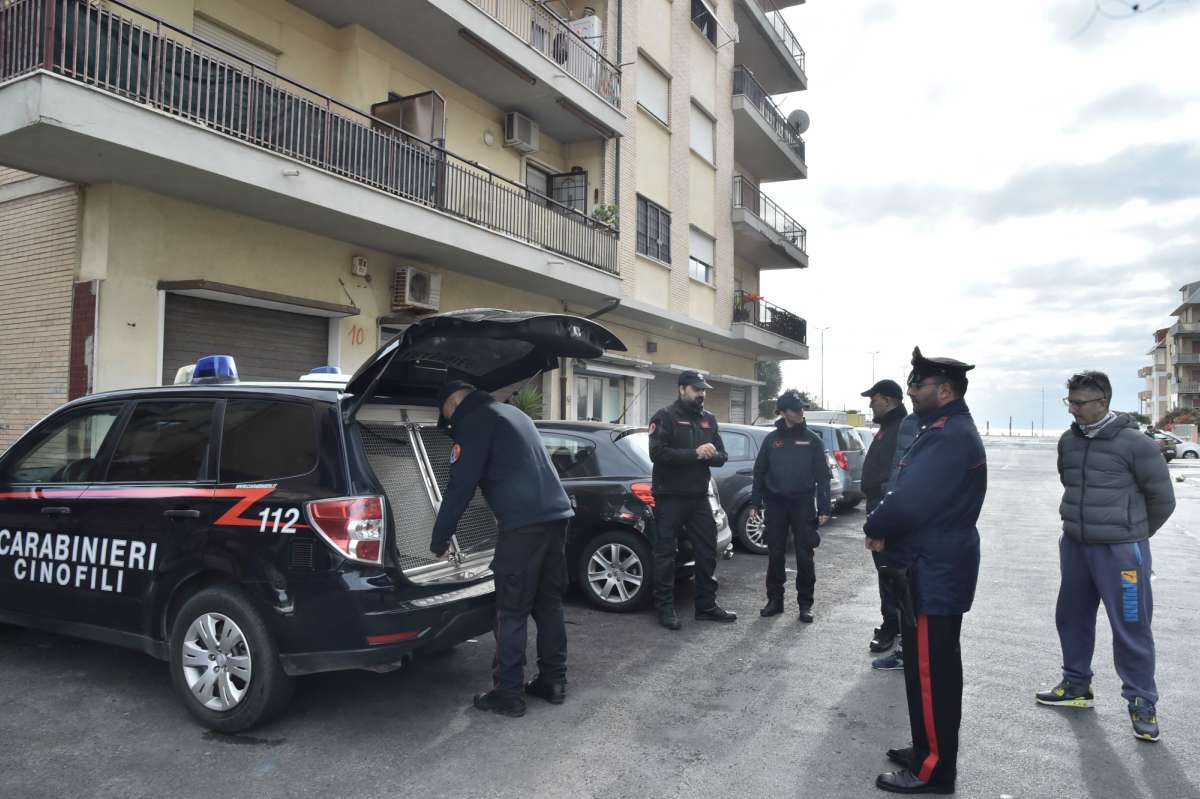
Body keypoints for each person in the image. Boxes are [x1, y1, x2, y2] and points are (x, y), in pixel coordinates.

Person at [864, 347, 986, 795]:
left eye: (919, 384)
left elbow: (909, 499)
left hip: (933, 569)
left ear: (946, 390)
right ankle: (925, 748)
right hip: (927, 564)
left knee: (932, 673)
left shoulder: (948, 435)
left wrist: (876, 526)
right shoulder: (940, 428)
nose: (912, 390)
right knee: (922, 670)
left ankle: (934, 771)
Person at [1035, 370, 1175, 742]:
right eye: (1071, 403)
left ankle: (1142, 702)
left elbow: (1163, 499)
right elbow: (1069, 482)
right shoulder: (1069, 441)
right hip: (1076, 545)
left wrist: (1132, 535)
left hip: (1121, 551)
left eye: (1080, 404)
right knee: (1072, 617)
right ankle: (1077, 685)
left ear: (1104, 403)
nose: (1074, 411)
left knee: (1131, 625)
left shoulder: (1136, 444)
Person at [429, 380, 574, 718]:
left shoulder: (474, 422)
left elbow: (460, 487)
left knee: (511, 611)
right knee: (548, 604)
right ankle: (554, 681)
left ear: (451, 404)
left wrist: (439, 541)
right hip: (557, 518)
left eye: (445, 414)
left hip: (523, 528)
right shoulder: (512, 413)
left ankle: (508, 692)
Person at [648, 370, 738, 630]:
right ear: (682, 389)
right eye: (697, 389)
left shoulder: (708, 419)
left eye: (703, 390)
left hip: (699, 497)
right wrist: (695, 454)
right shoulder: (665, 416)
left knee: (707, 551)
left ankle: (706, 606)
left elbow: (722, 455)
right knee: (666, 554)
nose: (702, 394)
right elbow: (658, 453)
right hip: (670, 496)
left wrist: (711, 455)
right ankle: (665, 608)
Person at [750, 389, 831, 622]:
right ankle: (775, 600)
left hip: (803, 505)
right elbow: (759, 472)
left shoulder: (812, 440)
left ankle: (805, 604)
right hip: (775, 505)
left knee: (805, 555)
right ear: (784, 412)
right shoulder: (771, 440)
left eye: (802, 409)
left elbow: (823, 476)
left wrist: (824, 508)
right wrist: (756, 503)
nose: (800, 413)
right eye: (796, 410)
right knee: (775, 554)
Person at [858, 379, 910, 656]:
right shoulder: (888, 427)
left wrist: (885, 512)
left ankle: (897, 629)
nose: (870, 404)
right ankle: (894, 624)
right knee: (885, 570)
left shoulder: (902, 428)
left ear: (889, 400)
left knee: (893, 571)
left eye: (874, 399)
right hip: (878, 504)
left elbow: (899, 474)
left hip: (886, 506)